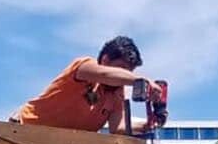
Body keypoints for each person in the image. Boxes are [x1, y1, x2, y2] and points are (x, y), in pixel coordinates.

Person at [12, 36, 161, 134]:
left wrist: (145, 126)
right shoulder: (84, 67)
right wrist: (142, 80)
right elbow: (105, 75)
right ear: (105, 60)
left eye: (131, 71)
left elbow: (117, 127)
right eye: (122, 68)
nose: (127, 74)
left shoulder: (116, 93)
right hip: (24, 129)